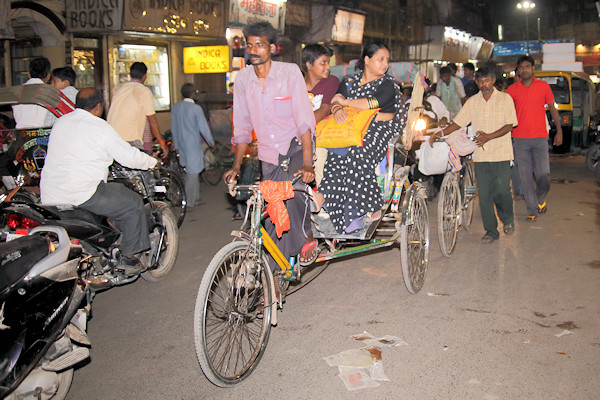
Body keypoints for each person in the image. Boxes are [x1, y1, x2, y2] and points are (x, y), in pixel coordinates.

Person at [223, 22, 317, 266]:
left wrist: (308, 163)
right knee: (272, 211)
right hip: (268, 154)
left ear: (272, 48)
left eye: (260, 45)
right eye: (249, 44)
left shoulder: (290, 72)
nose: (253, 50)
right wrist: (235, 166)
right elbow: (242, 126)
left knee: (294, 196)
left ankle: (306, 234)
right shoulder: (242, 79)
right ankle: (275, 271)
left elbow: (304, 121)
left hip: (295, 146)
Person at [40, 88, 158, 272]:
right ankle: (129, 257)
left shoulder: (61, 122)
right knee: (133, 203)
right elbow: (127, 157)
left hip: (50, 194)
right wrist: (152, 162)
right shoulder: (99, 127)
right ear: (98, 107)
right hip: (82, 193)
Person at [320, 41, 402, 234]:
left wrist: (346, 102)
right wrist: (338, 109)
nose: (385, 64)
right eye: (380, 59)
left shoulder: (388, 84)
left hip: (378, 127)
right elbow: (335, 99)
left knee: (358, 152)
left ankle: (373, 206)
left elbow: (374, 103)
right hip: (351, 128)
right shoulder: (349, 81)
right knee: (335, 157)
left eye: (387, 60)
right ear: (367, 59)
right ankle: (339, 212)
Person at [430, 67, 518, 244]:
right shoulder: (472, 102)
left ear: (493, 80)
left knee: (501, 190)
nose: (483, 84)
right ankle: (491, 231)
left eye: (486, 80)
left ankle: (507, 219)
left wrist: (488, 136)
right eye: (479, 81)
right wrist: (439, 133)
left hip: (501, 152)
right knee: (484, 195)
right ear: (476, 82)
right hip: (481, 155)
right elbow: (458, 123)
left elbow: (510, 125)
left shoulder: (505, 99)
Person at [507, 55, 563, 222]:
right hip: (519, 139)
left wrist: (559, 130)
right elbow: (507, 113)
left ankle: (539, 198)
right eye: (521, 67)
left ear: (532, 69)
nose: (524, 70)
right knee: (525, 177)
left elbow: (553, 109)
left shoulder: (543, 86)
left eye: (527, 67)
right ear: (518, 70)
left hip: (540, 137)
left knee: (543, 175)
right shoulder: (512, 90)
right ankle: (532, 209)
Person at [107, 62, 168, 155]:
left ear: (130, 74)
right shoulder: (143, 91)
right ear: (145, 76)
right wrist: (162, 143)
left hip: (112, 137)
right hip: (130, 139)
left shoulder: (118, 88)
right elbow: (152, 120)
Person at [171, 83, 214, 208]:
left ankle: (193, 197)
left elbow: (174, 127)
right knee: (193, 173)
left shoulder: (176, 107)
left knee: (188, 172)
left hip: (181, 143)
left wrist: (176, 143)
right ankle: (189, 201)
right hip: (192, 143)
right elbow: (204, 128)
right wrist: (211, 142)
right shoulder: (196, 108)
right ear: (193, 93)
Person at [302, 43, 339, 187]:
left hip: (321, 139)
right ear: (309, 65)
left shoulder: (331, 81)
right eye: (323, 63)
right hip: (296, 139)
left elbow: (324, 109)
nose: (327, 67)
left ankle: (323, 203)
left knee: (319, 172)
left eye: (328, 62)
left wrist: (298, 127)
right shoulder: (296, 85)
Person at [12, 57, 55, 129]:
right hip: (44, 135)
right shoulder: (52, 93)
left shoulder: (16, 92)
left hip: (21, 135)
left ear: (28, 74)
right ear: (48, 75)